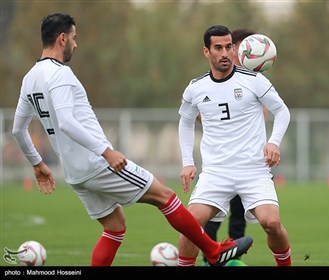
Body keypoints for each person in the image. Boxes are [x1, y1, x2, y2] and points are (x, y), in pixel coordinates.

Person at [11, 13, 253, 267]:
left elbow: (18, 130)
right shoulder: (60, 74)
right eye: (73, 38)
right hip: (96, 163)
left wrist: (37, 164)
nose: (75, 44)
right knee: (166, 197)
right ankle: (213, 251)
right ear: (62, 38)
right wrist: (107, 152)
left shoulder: (30, 78)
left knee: (115, 227)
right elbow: (66, 122)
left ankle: (212, 250)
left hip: (73, 171)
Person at [177, 25, 291, 266]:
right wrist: (187, 162)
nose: (225, 53)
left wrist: (273, 142)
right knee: (189, 224)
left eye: (229, 47)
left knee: (271, 223)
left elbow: (282, 111)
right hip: (216, 172)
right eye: (218, 48)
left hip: (254, 170)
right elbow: (185, 122)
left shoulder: (255, 80)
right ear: (206, 52)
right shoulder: (196, 88)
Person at [201, 28, 258, 266]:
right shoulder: (210, 82)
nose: (246, 53)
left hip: (247, 162)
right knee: (211, 214)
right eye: (243, 48)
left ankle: (232, 257)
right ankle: (208, 258)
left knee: (239, 214)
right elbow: (198, 113)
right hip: (219, 163)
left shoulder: (251, 81)